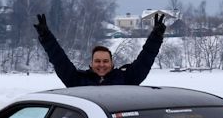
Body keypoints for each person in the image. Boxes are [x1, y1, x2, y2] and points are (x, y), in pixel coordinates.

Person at [34, 12, 166, 86]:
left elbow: (145, 60)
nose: (101, 65)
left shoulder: (127, 79)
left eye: (105, 61)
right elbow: (59, 60)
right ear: (91, 63)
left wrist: (156, 37)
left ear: (112, 63)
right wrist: (46, 38)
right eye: (97, 61)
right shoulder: (76, 80)